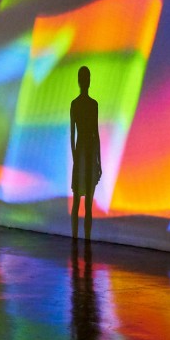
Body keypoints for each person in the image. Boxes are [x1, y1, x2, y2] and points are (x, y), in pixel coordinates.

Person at [70, 66, 101, 240]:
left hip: (82, 151)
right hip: (87, 152)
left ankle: (77, 237)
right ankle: (84, 238)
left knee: (78, 202)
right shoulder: (92, 105)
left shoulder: (76, 104)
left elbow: (72, 136)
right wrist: (98, 161)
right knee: (86, 203)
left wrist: (76, 157)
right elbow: (96, 135)